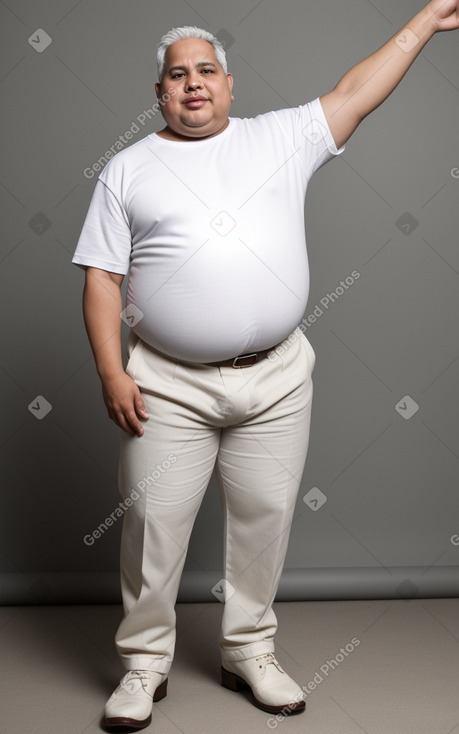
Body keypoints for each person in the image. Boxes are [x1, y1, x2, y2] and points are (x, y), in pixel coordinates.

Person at [73, 2, 458, 729]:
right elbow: (101, 278)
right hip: (165, 382)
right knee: (154, 523)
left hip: (276, 376)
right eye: (176, 75)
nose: (193, 84)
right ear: (159, 93)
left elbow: (355, 92)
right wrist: (110, 372)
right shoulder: (127, 168)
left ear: (229, 85)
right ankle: (143, 664)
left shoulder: (279, 137)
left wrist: (423, 23)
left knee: (266, 515)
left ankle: (248, 650)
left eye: (206, 71)